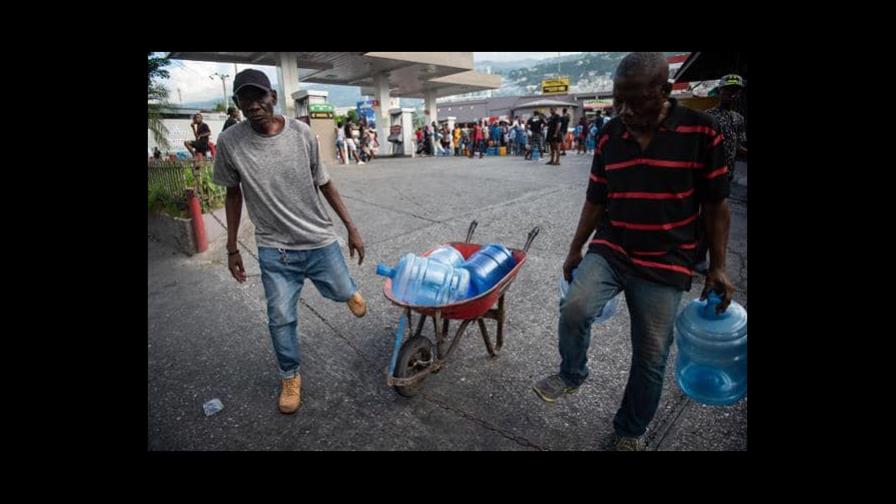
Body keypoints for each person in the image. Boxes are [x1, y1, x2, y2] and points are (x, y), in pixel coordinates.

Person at [531, 53, 735, 451]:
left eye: (635, 101)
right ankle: (572, 373)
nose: (623, 111)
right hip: (613, 248)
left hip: (667, 260)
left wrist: (719, 267)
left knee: (651, 355)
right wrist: (576, 250)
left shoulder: (701, 131)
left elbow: (716, 205)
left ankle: (629, 430)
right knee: (575, 308)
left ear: (664, 91)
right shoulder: (610, 135)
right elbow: (595, 197)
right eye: (617, 100)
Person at [214, 69, 369, 414]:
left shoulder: (301, 134)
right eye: (245, 99)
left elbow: (325, 183)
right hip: (275, 250)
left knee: (342, 290)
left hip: (318, 239)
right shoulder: (230, 142)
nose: (253, 105)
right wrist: (231, 247)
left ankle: (349, 291)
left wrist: (351, 227)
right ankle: (289, 376)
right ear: (237, 103)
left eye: (259, 97)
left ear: (272, 96)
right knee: (280, 316)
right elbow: (232, 195)